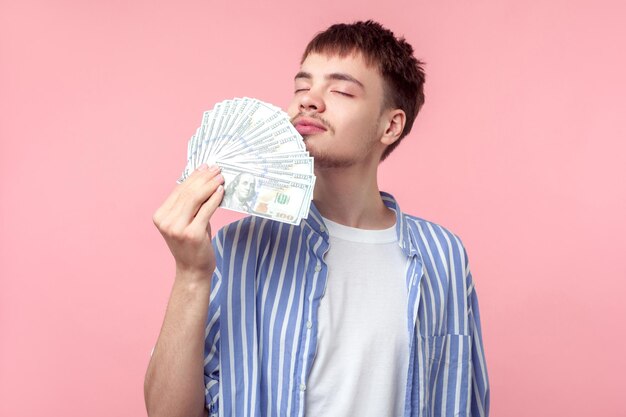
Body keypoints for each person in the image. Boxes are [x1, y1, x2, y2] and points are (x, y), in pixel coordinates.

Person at [144, 20, 490, 417]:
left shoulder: (443, 256)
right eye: (301, 87)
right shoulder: (240, 246)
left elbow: (464, 401)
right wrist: (190, 274)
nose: (309, 101)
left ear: (391, 125)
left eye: (341, 90)